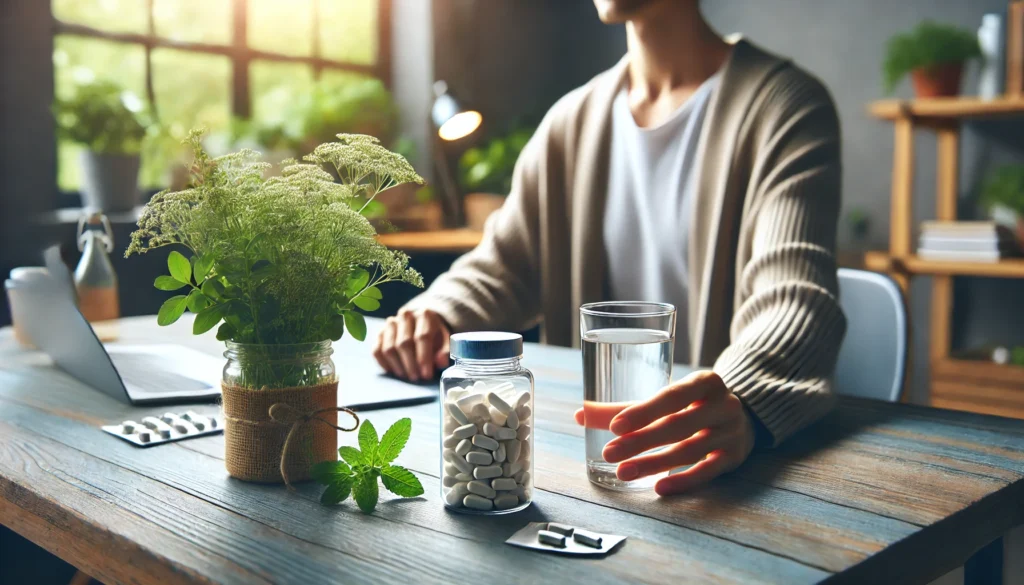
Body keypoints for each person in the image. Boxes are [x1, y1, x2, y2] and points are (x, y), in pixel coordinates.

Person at [373, 0, 846, 495]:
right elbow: (502, 269)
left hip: (714, 479)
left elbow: (794, 298)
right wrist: (436, 315)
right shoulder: (570, 123)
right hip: (582, 474)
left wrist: (742, 398)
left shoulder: (784, 107)